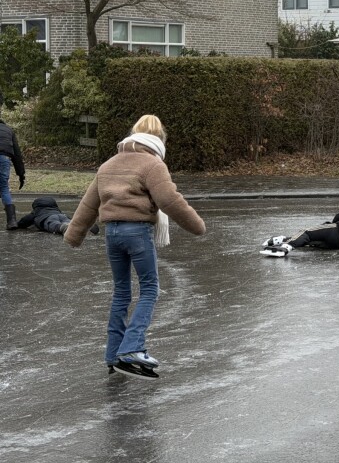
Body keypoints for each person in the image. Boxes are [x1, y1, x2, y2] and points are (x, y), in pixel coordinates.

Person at [64, 114, 206, 380]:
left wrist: (74, 235)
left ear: (133, 134)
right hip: (137, 232)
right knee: (150, 288)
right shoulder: (152, 164)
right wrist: (197, 225)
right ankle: (131, 349)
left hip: (112, 233)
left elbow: (88, 203)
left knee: (121, 293)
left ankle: (113, 354)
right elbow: (169, 200)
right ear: (160, 139)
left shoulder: (109, 164)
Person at [260, 197, 339, 257]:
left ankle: (284, 247)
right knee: (311, 241)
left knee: (308, 233)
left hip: (338, 231)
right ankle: (282, 239)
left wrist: (334, 224)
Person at [15, 196, 99, 235]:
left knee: (54, 225)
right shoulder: (56, 209)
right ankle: (86, 225)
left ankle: (63, 228)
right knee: (68, 221)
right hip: (61, 215)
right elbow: (67, 217)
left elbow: (25, 221)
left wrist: (17, 224)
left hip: (48, 218)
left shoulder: (37, 211)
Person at [0, 113, 26, 230]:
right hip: (4, 158)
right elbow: (17, 154)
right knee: (4, 187)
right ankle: (12, 221)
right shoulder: (8, 130)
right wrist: (21, 174)